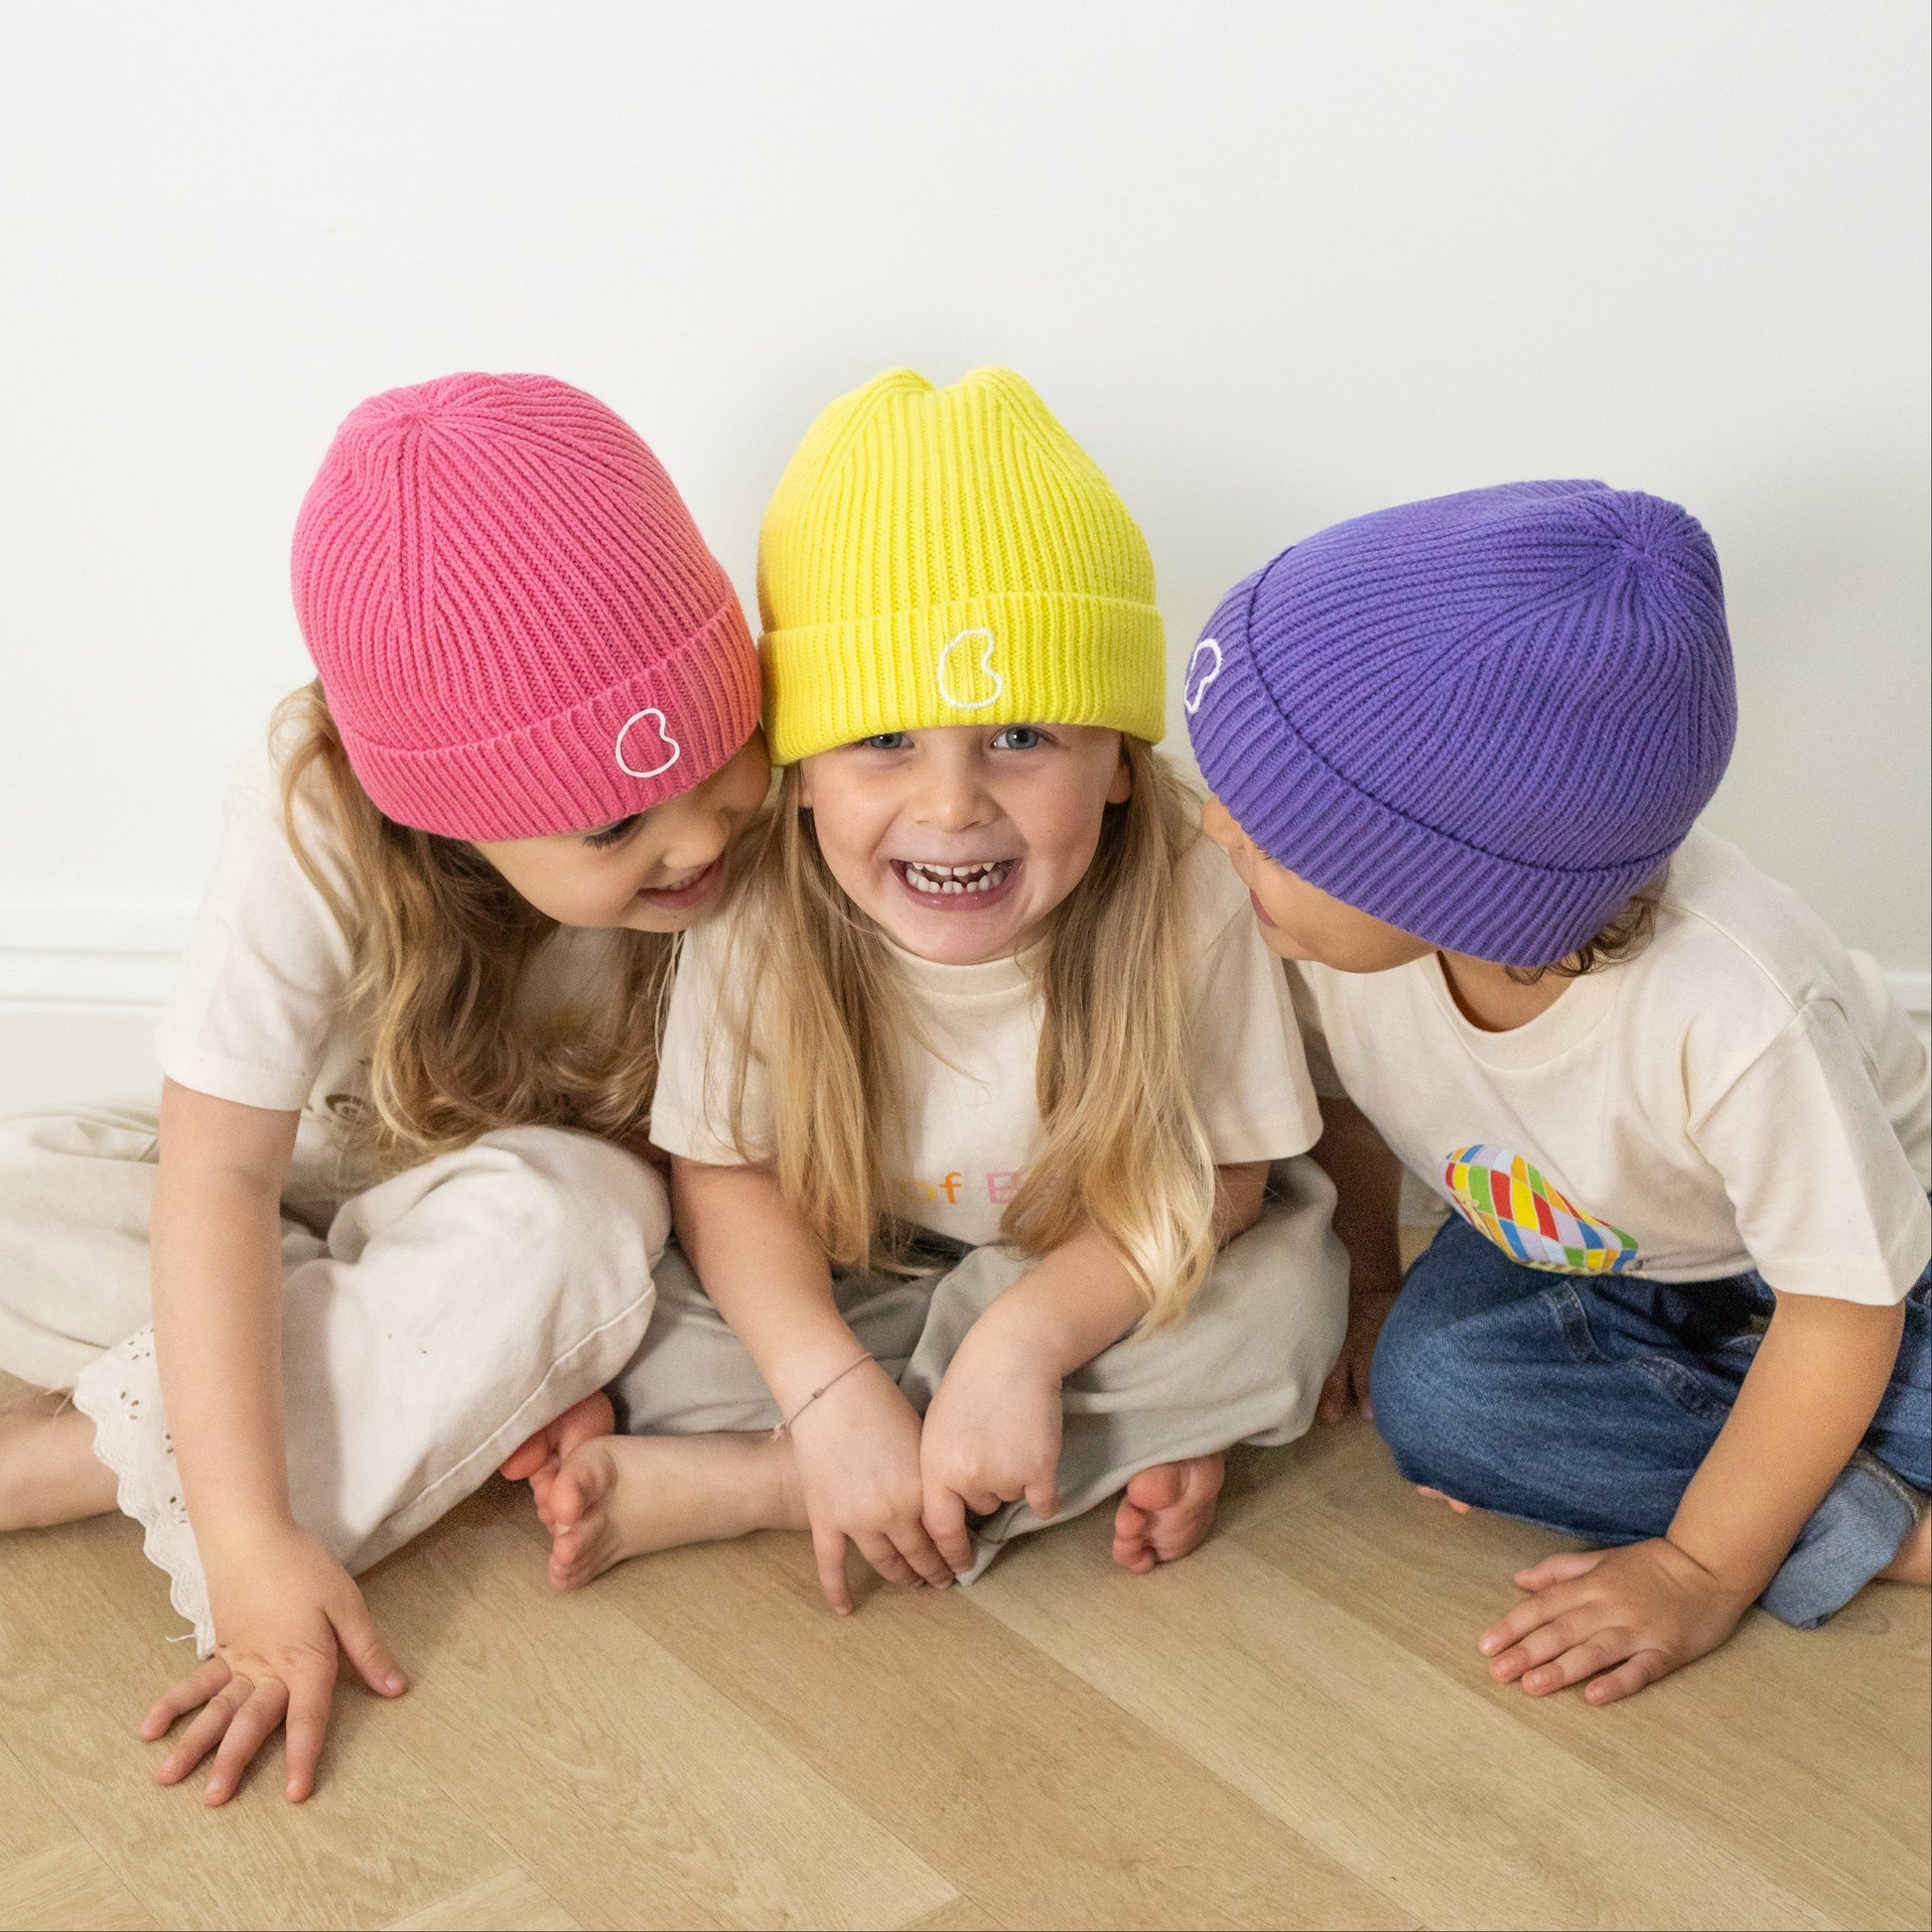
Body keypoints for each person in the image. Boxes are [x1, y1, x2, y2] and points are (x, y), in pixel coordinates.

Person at [0, 372, 768, 1801]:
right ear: (454, 818)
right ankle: (353, 1369)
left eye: (722, 750)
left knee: (577, 1221)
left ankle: (62, 1463)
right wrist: (247, 1539)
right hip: (305, 1176)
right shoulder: (311, 804)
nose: (695, 834)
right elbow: (218, 1174)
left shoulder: (753, 847)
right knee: (26, 1186)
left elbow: (704, 1160)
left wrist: (255, 1540)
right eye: (614, 823)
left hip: (515, 1209)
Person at [520, 366, 1348, 1607]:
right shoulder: (759, 896)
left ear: (1120, 763)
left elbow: (1221, 1177)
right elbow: (728, 1176)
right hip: (865, 1267)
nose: (952, 804)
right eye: (881, 739)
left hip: (1098, 1259)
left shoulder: (1188, 881)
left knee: (1281, 1311)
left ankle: (783, 1478)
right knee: (658, 1339)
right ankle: (939, 1449)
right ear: (799, 773)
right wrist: (826, 1387)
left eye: (1020, 735)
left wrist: (1026, 1336)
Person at [1186, 479, 1930, 1703]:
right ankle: (1846, 1501)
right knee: (1438, 1398)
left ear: (1441, 883)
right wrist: (1370, 1281)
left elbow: (1844, 1308)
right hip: (1590, 1242)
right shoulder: (1334, 942)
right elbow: (1350, 1106)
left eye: (1273, 830)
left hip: (1862, 1265)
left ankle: (1808, 1513)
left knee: (1864, 1376)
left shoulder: (1739, 1010)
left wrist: (1698, 1568)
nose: (1218, 828)